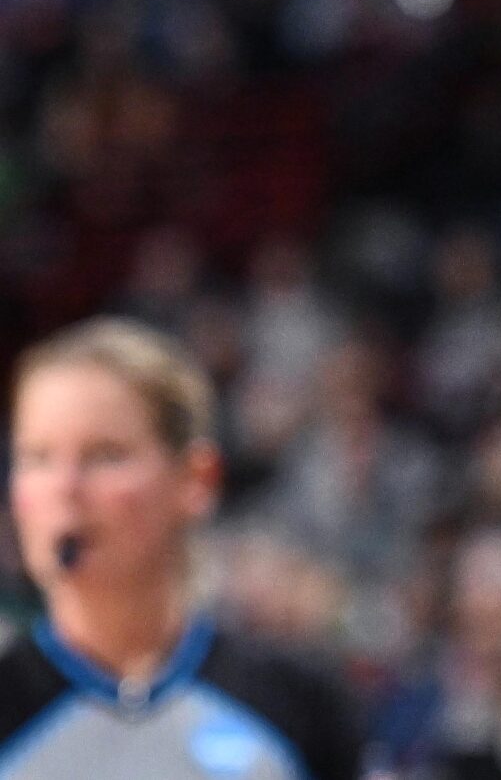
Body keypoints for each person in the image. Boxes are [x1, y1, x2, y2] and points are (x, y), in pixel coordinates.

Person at [1, 316, 368, 778]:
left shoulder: (301, 703)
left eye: (104, 455)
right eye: (38, 457)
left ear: (197, 480)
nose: (65, 487)